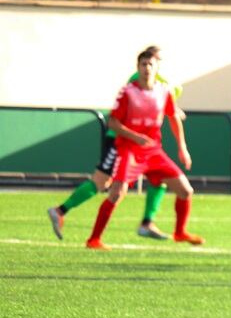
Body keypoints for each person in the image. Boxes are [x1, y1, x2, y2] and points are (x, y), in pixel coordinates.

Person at [48, 46, 182, 243]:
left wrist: (174, 110)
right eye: (155, 60)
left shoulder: (162, 83)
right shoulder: (138, 78)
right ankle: (61, 211)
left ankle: (147, 222)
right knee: (102, 182)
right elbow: (136, 105)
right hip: (119, 139)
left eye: (158, 61)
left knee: (158, 179)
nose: (156, 65)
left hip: (142, 143)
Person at [82, 47, 200, 250]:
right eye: (143, 64)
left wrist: (182, 147)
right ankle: (94, 240)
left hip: (153, 152)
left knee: (185, 190)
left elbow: (173, 118)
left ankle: (179, 232)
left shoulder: (164, 92)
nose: (147, 68)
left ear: (157, 68)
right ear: (138, 67)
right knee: (117, 193)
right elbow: (113, 123)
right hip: (129, 150)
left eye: (150, 64)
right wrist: (135, 136)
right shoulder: (128, 92)